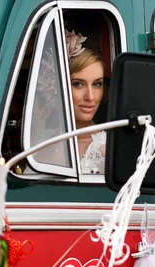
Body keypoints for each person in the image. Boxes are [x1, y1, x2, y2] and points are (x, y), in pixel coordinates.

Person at [66, 30, 106, 175]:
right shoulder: (43, 139)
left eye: (97, 84)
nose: (90, 97)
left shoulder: (104, 150)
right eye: (78, 84)